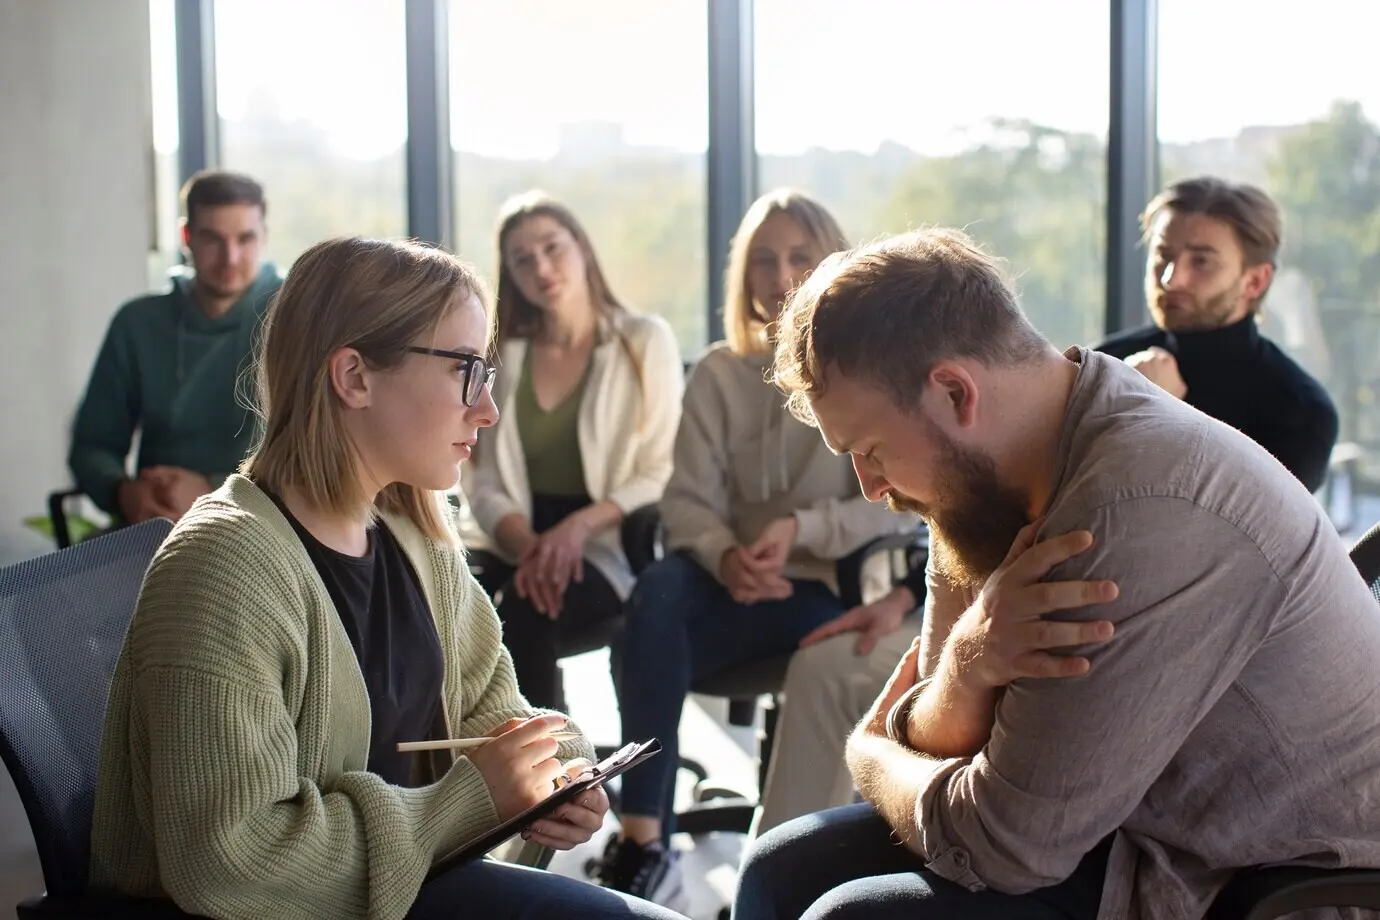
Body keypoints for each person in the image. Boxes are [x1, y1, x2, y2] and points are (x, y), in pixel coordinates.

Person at [733, 227, 1380, 920]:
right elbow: (944, 721)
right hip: (1131, 825)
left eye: (870, 449)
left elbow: (1003, 847)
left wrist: (868, 752)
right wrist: (968, 667)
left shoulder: (1135, 507)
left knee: (849, 917)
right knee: (782, 868)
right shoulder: (995, 465)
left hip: (1250, 880)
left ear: (955, 392)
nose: (868, 485)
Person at [89, 236, 688, 920]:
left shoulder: (412, 534)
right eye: (466, 369)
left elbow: (492, 708)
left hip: (406, 892)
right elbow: (233, 861)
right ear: (354, 378)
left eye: (487, 372)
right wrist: (466, 800)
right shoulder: (222, 569)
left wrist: (561, 773)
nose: (487, 408)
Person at [594, 190, 914, 906]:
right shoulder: (717, 371)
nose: (781, 276)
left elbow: (890, 505)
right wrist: (723, 556)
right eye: (763, 260)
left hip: (817, 588)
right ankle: (646, 836)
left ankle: (668, 835)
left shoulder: (867, 370)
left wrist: (800, 530)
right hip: (722, 578)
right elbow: (686, 503)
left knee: (642, 643)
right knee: (654, 602)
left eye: (801, 256)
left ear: (835, 261)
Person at [460, 191, 683, 712]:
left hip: (606, 538)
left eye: (552, 247)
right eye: (522, 259)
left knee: (522, 613)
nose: (541, 267)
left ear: (581, 248)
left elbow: (660, 468)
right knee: (443, 601)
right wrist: (527, 543)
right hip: (512, 533)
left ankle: (553, 781)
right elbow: (480, 475)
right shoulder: (504, 354)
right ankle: (449, 773)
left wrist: (576, 530)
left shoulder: (642, 340)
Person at [1096, 176, 1338, 492]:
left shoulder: (1299, 411)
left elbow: (1225, 534)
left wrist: (1154, 411)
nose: (1171, 279)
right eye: (1163, 255)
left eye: (1201, 261)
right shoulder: (1099, 364)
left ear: (1254, 282)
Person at [69, 169, 282, 525]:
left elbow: (321, 452)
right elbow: (92, 445)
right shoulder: (138, 323)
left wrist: (210, 490)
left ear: (264, 237)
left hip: (265, 525)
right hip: (155, 523)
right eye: (213, 239)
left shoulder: (296, 316)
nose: (229, 257)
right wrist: (125, 492)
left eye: (245, 239)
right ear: (187, 237)